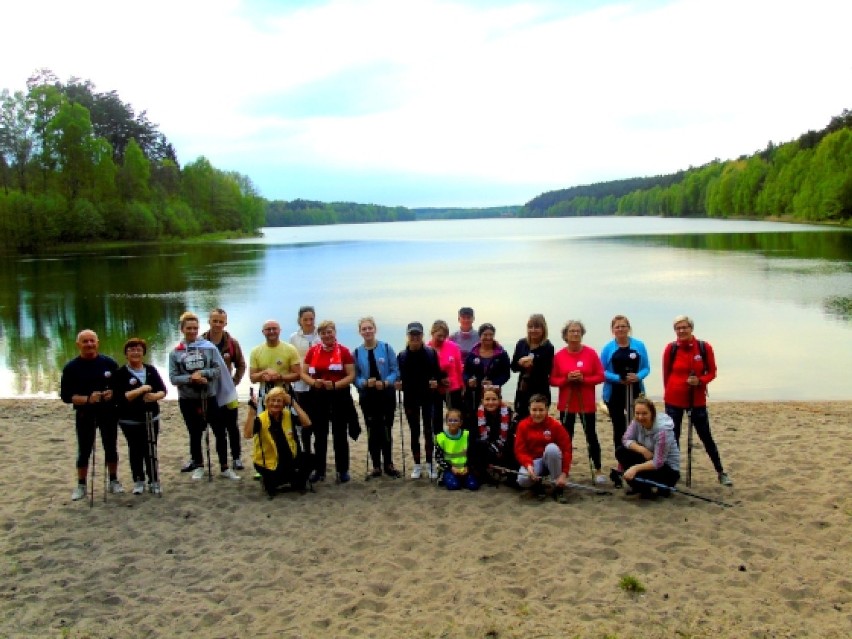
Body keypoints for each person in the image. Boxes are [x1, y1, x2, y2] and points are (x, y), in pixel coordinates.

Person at [169, 311, 241, 481]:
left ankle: (224, 467)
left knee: (220, 431)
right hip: (188, 399)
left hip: (209, 396)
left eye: (195, 328)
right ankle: (199, 465)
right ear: (182, 329)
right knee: (195, 433)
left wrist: (203, 374)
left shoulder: (209, 348)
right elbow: (173, 378)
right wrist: (190, 378)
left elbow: (218, 370)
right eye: (189, 328)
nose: (192, 331)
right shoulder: (175, 352)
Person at [662, 315, 733, 486]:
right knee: (673, 437)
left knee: (705, 436)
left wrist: (700, 381)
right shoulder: (670, 349)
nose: (681, 331)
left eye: (684, 327)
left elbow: (712, 372)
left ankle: (720, 471)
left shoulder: (703, 347)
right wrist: (669, 393)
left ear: (691, 328)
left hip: (697, 399)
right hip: (674, 399)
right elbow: (666, 374)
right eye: (678, 328)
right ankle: (673, 472)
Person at [60, 329, 123, 500]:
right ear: (78, 344)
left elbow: (120, 387)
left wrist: (112, 393)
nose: (89, 344)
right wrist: (87, 399)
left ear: (98, 342)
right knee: (84, 449)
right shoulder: (71, 368)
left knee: (111, 446)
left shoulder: (109, 363)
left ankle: (114, 480)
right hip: (85, 413)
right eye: (85, 341)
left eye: (92, 341)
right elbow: (66, 396)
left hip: (108, 412)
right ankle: (81, 484)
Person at [550, 320, 607, 485]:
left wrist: (584, 379)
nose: (575, 334)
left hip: (586, 402)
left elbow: (600, 375)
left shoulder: (590, 353)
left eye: (578, 331)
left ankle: (598, 470)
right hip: (567, 403)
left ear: (582, 334)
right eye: (571, 331)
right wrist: (566, 379)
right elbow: (553, 380)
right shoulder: (559, 355)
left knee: (591, 436)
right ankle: (564, 470)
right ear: (565, 335)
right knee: (566, 437)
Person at [301, 320, 357, 483]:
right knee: (319, 435)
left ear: (335, 333)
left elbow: (351, 375)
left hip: (339, 396)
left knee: (339, 434)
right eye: (323, 333)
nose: (327, 335)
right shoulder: (313, 351)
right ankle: (319, 470)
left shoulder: (344, 351)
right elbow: (303, 373)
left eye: (329, 332)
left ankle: (343, 470)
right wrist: (313, 383)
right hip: (318, 396)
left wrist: (334, 385)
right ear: (320, 335)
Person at [114, 338, 167, 495]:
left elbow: (163, 390)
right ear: (126, 354)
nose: (135, 352)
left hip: (151, 418)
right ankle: (138, 480)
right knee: (135, 449)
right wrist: (140, 390)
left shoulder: (150, 370)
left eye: (138, 350)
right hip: (129, 419)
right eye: (132, 350)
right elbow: (120, 397)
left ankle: (154, 480)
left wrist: (154, 396)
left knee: (150, 448)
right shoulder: (120, 373)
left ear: (143, 353)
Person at [600, 315, 650, 473]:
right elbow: (601, 371)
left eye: (623, 326)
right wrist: (617, 378)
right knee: (619, 428)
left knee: (638, 426)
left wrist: (638, 376)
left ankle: (639, 459)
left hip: (635, 391)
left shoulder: (639, 345)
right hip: (615, 392)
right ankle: (622, 461)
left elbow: (646, 368)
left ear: (628, 328)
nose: (620, 329)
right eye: (617, 327)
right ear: (612, 330)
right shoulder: (608, 348)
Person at [396, 322, 445, 480]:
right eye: (412, 334)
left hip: (428, 398)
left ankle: (430, 463)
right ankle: (417, 465)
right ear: (408, 336)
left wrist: (436, 381)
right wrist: (398, 383)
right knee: (414, 432)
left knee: (428, 431)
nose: (415, 337)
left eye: (417, 334)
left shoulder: (431, 353)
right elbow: (399, 377)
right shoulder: (402, 355)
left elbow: (438, 374)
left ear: (422, 336)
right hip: (410, 398)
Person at [353, 317, 402, 478]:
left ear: (375, 329)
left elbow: (396, 370)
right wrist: (364, 382)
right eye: (364, 329)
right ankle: (375, 465)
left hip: (386, 395)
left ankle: (388, 463)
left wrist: (387, 382)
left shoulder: (386, 348)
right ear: (360, 332)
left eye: (370, 328)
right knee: (371, 430)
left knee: (386, 429)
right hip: (368, 396)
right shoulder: (357, 352)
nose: (367, 331)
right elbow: (355, 376)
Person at [243, 386, 312, 498]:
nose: (275, 404)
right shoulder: (261, 419)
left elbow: (307, 423)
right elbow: (247, 434)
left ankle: (293, 481)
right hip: (268, 462)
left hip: (288, 458)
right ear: (267, 402)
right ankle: (279, 481)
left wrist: (293, 403)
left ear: (284, 404)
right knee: (273, 483)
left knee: (312, 460)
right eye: (272, 400)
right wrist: (252, 412)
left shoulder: (287, 415)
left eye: (279, 401)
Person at [202, 308, 247, 470]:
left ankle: (236, 458)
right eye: (215, 321)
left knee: (232, 427)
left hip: (229, 393)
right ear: (209, 321)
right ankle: (223, 462)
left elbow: (241, 364)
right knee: (218, 429)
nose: (218, 325)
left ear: (225, 323)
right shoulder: (200, 343)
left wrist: (234, 381)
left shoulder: (232, 343)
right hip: (210, 393)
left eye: (221, 322)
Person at [616, 397, 680, 498]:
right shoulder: (636, 422)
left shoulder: (662, 431)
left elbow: (658, 462)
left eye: (644, 413)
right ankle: (642, 489)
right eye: (637, 413)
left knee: (635, 472)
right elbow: (625, 439)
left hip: (667, 469)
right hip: (648, 459)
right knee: (621, 451)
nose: (640, 417)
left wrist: (635, 468)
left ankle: (657, 487)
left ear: (652, 413)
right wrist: (642, 449)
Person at [513, 394, 572, 500]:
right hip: (534, 461)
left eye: (541, 410)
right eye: (534, 410)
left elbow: (567, 450)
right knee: (522, 480)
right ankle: (537, 484)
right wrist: (528, 465)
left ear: (547, 409)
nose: (537, 413)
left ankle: (557, 487)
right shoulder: (522, 425)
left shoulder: (555, 425)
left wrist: (564, 473)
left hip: (552, 461)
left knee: (552, 448)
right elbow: (520, 450)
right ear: (529, 409)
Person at [463, 323, 511, 425]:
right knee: (473, 417)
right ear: (480, 336)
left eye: (491, 335)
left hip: (493, 393)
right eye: (485, 335)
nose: (488, 337)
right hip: (474, 393)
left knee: (493, 416)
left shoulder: (501, 354)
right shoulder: (472, 353)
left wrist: (493, 382)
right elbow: (466, 372)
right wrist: (468, 380)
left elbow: (506, 374)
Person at [467, 387, 517, 484]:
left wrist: (500, 448)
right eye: (487, 399)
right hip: (486, 449)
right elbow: (474, 437)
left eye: (494, 399)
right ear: (482, 401)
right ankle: (484, 473)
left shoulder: (508, 413)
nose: (490, 402)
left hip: (503, 449)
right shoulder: (475, 415)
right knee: (476, 444)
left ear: (499, 400)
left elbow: (510, 436)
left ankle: (507, 473)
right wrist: (491, 447)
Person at [510, 313, 554, 421]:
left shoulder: (548, 347)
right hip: (523, 388)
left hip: (540, 388)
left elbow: (549, 370)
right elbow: (513, 367)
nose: (533, 330)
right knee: (521, 418)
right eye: (530, 327)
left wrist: (534, 363)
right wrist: (520, 363)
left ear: (543, 329)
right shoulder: (521, 343)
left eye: (537, 327)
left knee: (539, 419)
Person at [249, 319, 301, 411]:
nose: (272, 331)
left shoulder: (290, 349)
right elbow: (252, 378)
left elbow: (297, 375)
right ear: (263, 332)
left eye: (274, 329)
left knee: (288, 422)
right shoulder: (256, 351)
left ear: (280, 330)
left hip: (285, 391)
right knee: (264, 423)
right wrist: (263, 374)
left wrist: (279, 377)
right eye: (268, 329)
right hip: (265, 392)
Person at [289, 305, 320, 456]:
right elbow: (292, 361)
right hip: (300, 385)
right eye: (305, 319)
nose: (309, 322)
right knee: (303, 420)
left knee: (318, 421)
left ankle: (319, 454)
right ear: (299, 320)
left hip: (319, 384)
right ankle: (307, 452)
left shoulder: (321, 336)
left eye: (311, 319)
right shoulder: (293, 338)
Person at [428, 320, 464, 448]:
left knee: (455, 417)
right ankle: (439, 445)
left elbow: (459, 368)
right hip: (435, 389)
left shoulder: (453, 347)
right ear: (432, 333)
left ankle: (457, 443)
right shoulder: (427, 348)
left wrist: (462, 385)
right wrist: (438, 380)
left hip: (452, 387)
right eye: (439, 336)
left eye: (444, 336)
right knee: (436, 418)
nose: (442, 339)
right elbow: (425, 371)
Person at [435, 409, 480, 490]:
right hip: (449, 468)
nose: (452, 423)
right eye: (450, 420)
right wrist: (450, 468)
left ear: (460, 423)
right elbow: (438, 458)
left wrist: (468, 467)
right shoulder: (441, 437)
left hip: (464, 468)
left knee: (473, 485)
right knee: (454, 485)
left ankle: (463, 479)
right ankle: (443, 477)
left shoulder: (466, 435)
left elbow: (472, 454)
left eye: (455, 420)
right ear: (446, 422)